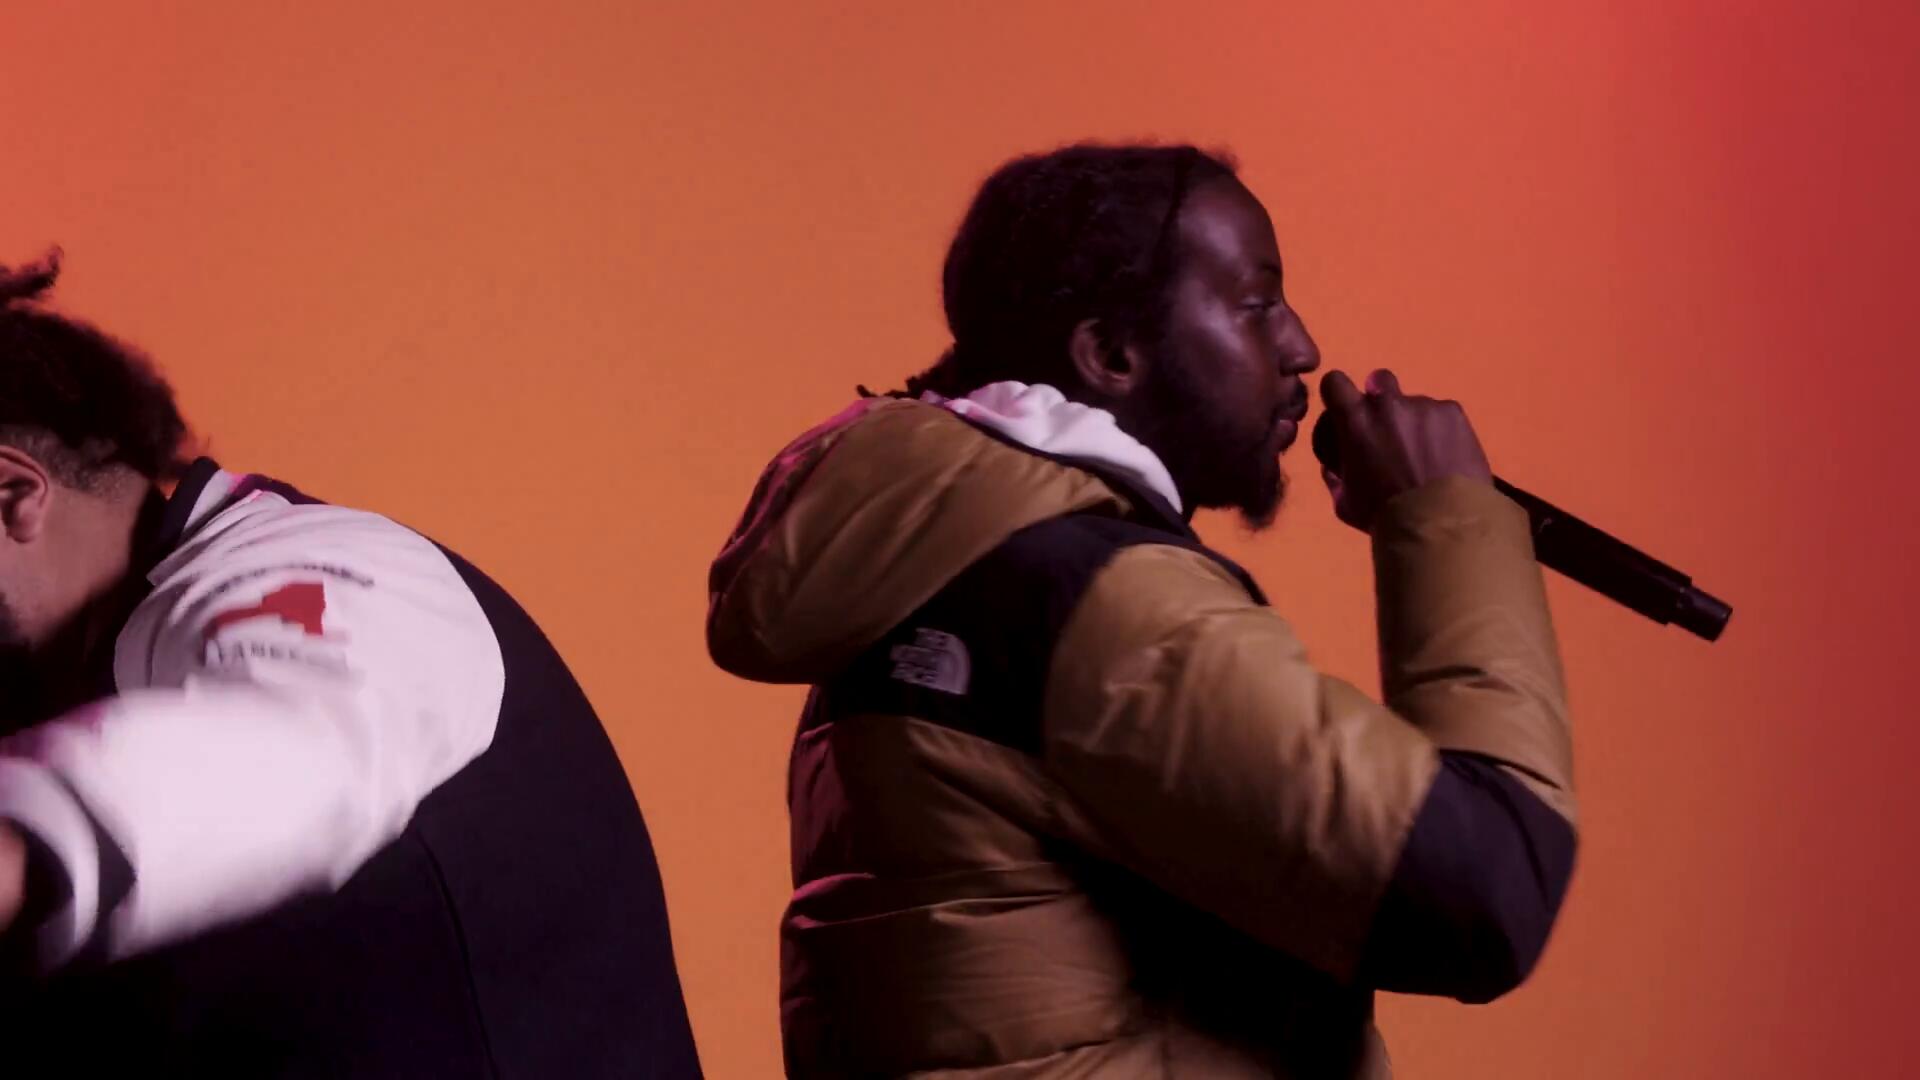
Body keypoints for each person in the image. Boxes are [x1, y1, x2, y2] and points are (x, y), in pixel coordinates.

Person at [706, 144, 1577, 1078]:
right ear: (1114, 354)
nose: (1301, 347)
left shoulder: (933, 559)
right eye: (1256, 304)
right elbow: (1487, 890)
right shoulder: (1098, 600)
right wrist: (1444, 519)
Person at [0, 253, 702, 1077]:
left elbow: (294, 742)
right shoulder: (61, 672)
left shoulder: (314, 571)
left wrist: (15, 844)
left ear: (14, 494)